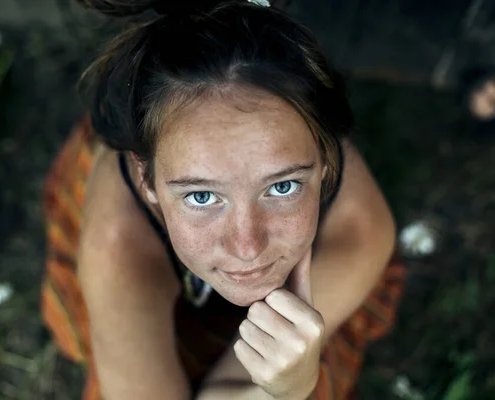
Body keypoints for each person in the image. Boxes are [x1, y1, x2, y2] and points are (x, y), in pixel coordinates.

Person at [41, 1, 406, 399]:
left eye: (282, 187)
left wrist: (288, 387)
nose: (247, 248)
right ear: (147, 178)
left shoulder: (358, 229)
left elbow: (226, 391)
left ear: (324, 165)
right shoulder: (118, 243)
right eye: (201, 196)